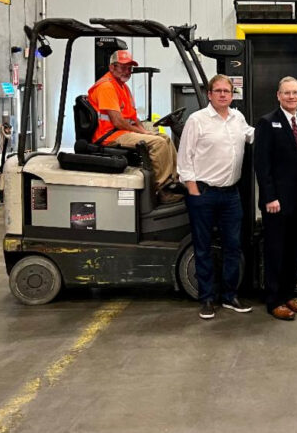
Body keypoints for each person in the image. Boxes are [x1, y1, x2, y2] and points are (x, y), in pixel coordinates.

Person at [177, 74, 255, 320]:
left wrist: (278, 128)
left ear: (232, 95)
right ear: (209, 94)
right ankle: (207, 298)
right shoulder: (197, 120)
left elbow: (253, 135)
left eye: (227, 91)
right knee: (203, 247)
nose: (223, 94)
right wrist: (193, 190)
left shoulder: (237, 118)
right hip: (204, 193)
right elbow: (185, 158)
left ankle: (230, 296)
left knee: (233, 246)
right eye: (218, 91)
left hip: (231, 194)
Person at [254, 77, 297, 321]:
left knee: (294, 250)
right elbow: (262, 164)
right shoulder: (267, 122)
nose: (291, 97)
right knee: (276, 251)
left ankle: (288, 294)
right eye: (286, 93)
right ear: (278, 96)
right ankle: (274, 301)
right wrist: (270, 197)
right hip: (276, 203)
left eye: (295, 93)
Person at [87, 49, 181, 203]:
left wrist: (144, 131)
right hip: (109, 135)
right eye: (123, 67)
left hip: (121, 132)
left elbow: (132, 117)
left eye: (129, 68)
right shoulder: (106, 86)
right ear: (112, 67)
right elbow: (117, 121)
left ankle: (174, 182)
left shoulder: (122, 87)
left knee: (165, 138)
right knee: (158, 143)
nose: (127, 71)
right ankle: (163, 190)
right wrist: (143, 133)